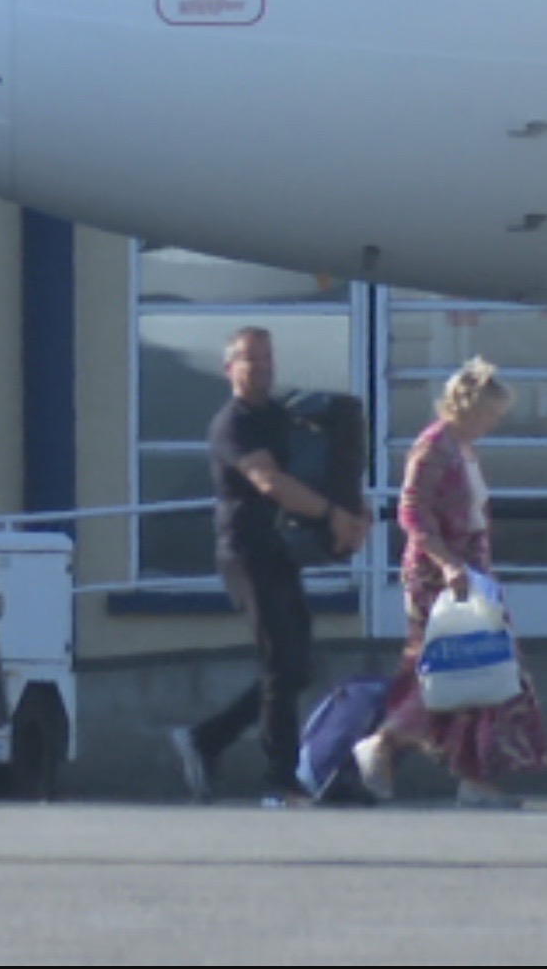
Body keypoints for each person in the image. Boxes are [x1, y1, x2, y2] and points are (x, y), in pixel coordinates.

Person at [173, 327, 369, 806]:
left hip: (281, 551)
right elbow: (270, 481)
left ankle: (206, 740)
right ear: (229, 368)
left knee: (296, 666)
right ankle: (280, 783)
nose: (260, 367)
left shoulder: (280, 417)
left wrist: (355, 511)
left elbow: (317, 470)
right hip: (245, 553)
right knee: (281, 664)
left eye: (265, 358)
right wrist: (330, 514)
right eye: (248, 359)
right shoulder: (232, 424)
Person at [355, 358, 547, 807]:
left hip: (470, 572)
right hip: (440, 576)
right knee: (452, 670)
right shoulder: (433, 448)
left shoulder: (462, 449)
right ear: (468, 406)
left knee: (483, 673)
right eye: (489, 414)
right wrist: (446, 564)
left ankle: (474, 776)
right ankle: (385, 744)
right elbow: (411, 513)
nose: (492, 424)